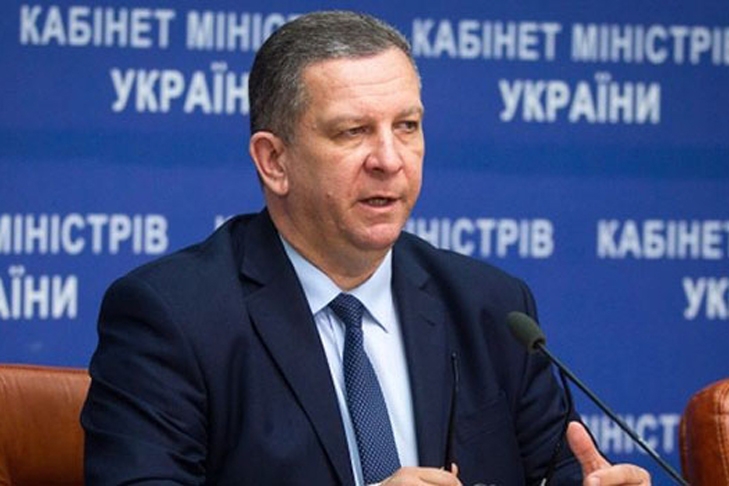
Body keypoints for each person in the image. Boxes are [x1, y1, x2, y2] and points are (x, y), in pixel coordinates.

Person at [81, 10, 651, 486]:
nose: (389, 159)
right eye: (352, 131)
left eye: (407, 126)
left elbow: (559, 470)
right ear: (274, 161)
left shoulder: (492, 308)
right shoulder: (174, 317)